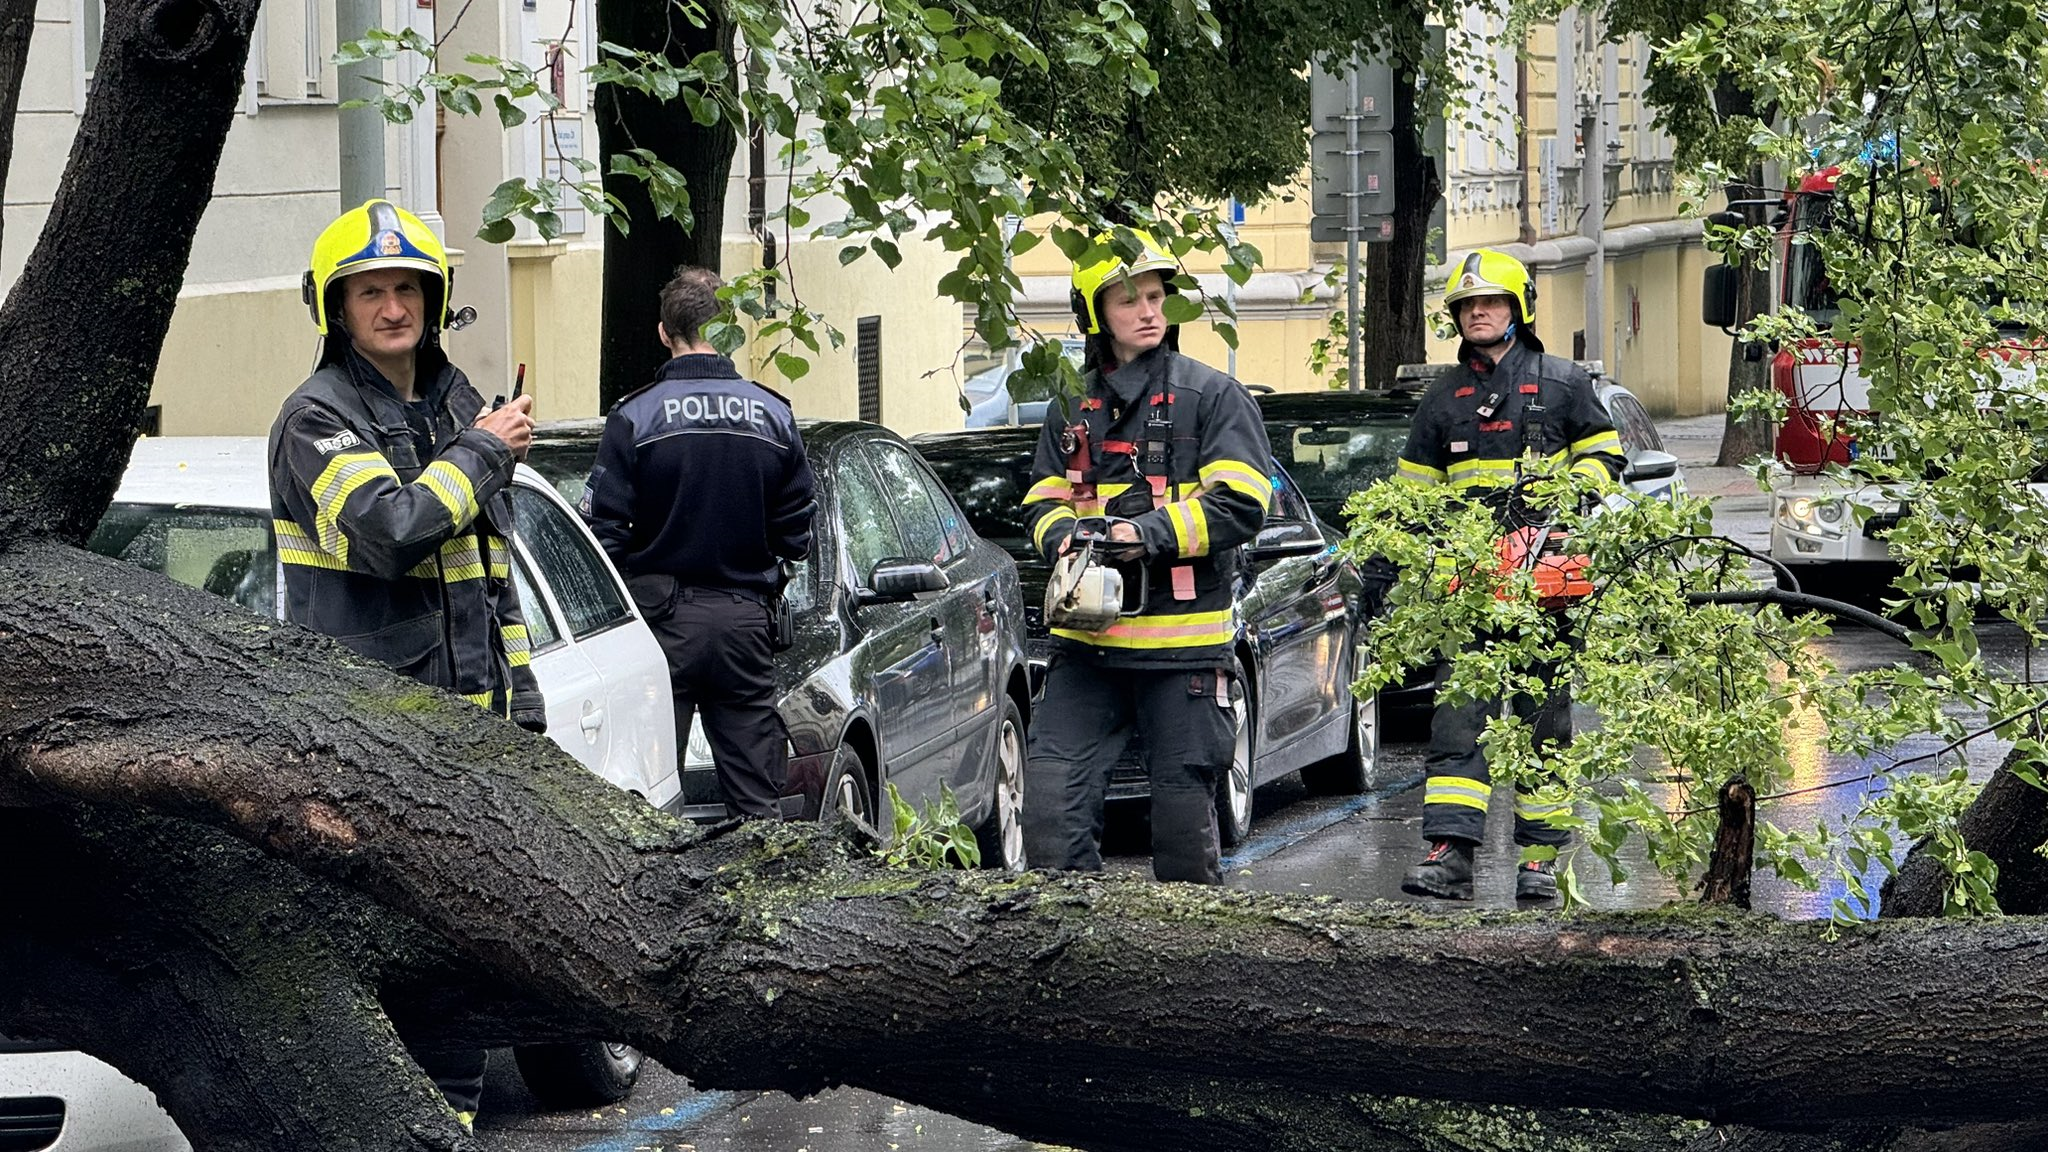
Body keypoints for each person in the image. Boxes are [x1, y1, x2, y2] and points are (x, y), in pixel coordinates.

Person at [267, 199, 542, 1128]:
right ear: (335, 310)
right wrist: (480, 453)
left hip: (471, 747)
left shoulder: (462, 405)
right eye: (370, 291)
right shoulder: (315, 419)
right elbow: (392, 533)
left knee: (458, 979)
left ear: (436, 295)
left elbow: (491, 580)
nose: (393, 308)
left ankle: (448, 1127)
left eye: (409, 288)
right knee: (398, 976)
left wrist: (526, 717)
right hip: (369, 747)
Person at [1019, 232, 1276, 885]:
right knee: (1050, 801)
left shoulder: (1211, 397)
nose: (1148, 311)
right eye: (1129, 299)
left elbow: (1244, 503)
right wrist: (1064, 539)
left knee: (1182, 824)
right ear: (1093, 313)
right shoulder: (1070, 406)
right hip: (1088, 645)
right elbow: (1044, 502)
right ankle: (1072, 952)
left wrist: (1148, 533)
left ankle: (1188, 969)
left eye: (1157, 297)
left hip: (1183, 652)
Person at [1393, 248, 1625, 903]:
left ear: (1518, 309)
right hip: (1467, 596)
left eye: (1490, 302)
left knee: (1542, 730)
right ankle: (1449, 855)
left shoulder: (1563, 383)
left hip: (1546, 594)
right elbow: (1414, 498)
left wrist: (1565, 492)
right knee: (1456, 729)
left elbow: (1607, 457)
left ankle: (1540, 863)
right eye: (1467, 306)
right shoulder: (1441, 399)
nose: (1478, 313)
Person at [579, 266, 816, 821]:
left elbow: (604, 533)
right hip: (744, 623)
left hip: (659, 626)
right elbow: (796, 532)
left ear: (664, 333)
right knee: (758, 805)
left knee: (647, 796)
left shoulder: (634, 415)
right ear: (727, 325)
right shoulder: (773, 413)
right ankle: (762, 901)